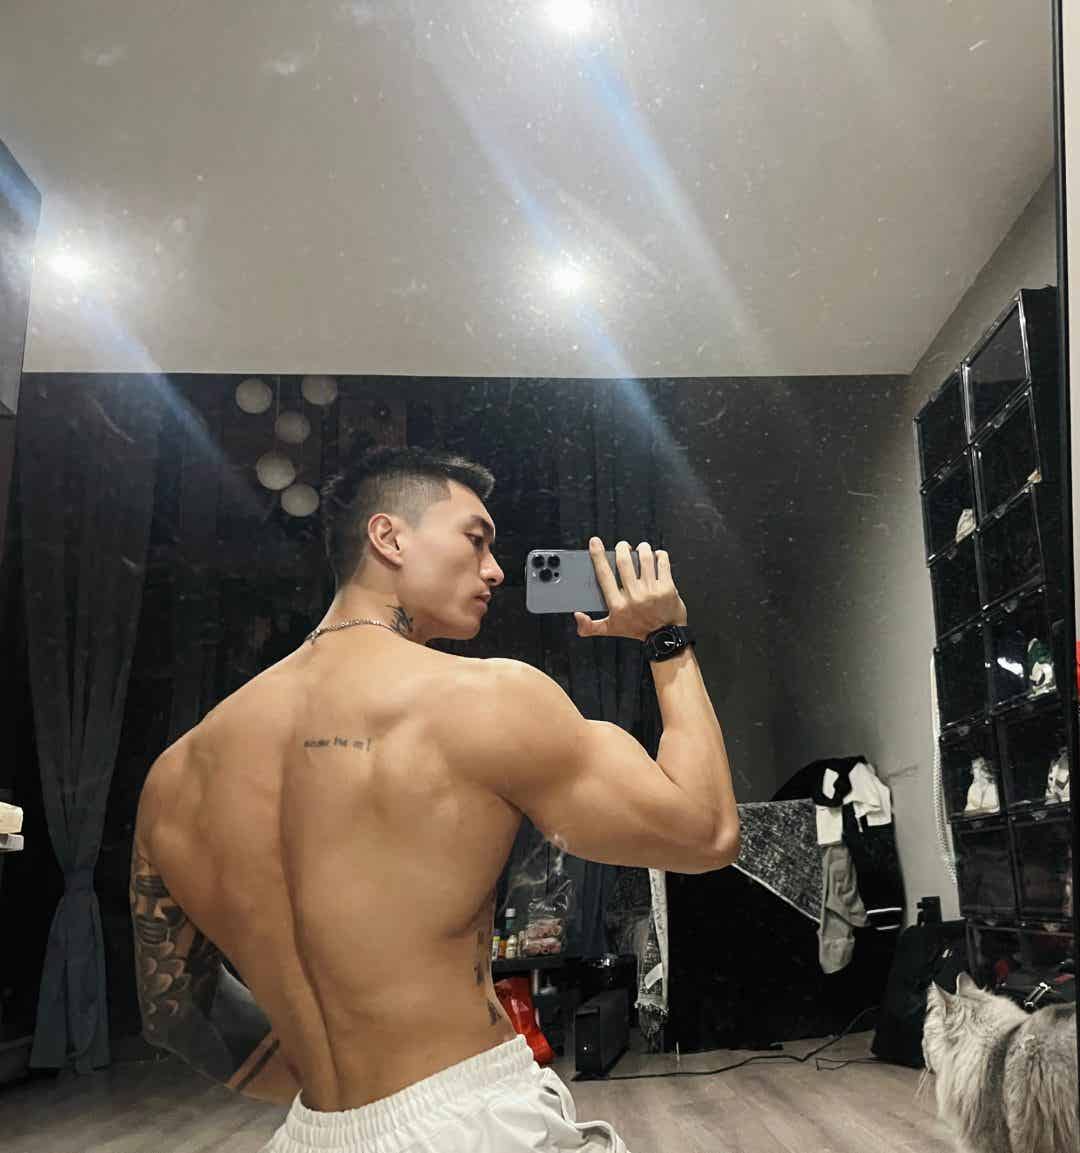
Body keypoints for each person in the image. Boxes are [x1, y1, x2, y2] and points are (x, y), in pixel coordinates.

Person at [130, 445, 740, 1153]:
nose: (496, 570)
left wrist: (349, 1102)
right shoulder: (485, 698)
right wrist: (666, 638)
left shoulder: (178, 773)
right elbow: (706, 831)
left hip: (310, 1135)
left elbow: (177, 1013)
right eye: (476, 539)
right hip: (468, 1117)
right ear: (388, 537)